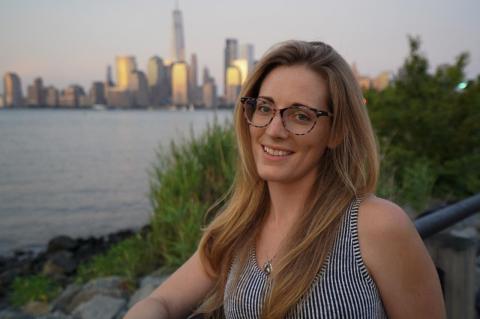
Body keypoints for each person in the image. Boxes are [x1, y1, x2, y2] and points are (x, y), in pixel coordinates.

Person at [124, 40, 446, 319]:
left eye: (301, 115)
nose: (274, 130)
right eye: (264, 108)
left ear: (336, 132)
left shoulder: (375, 226)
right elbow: (161, 301)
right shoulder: (238, 228)